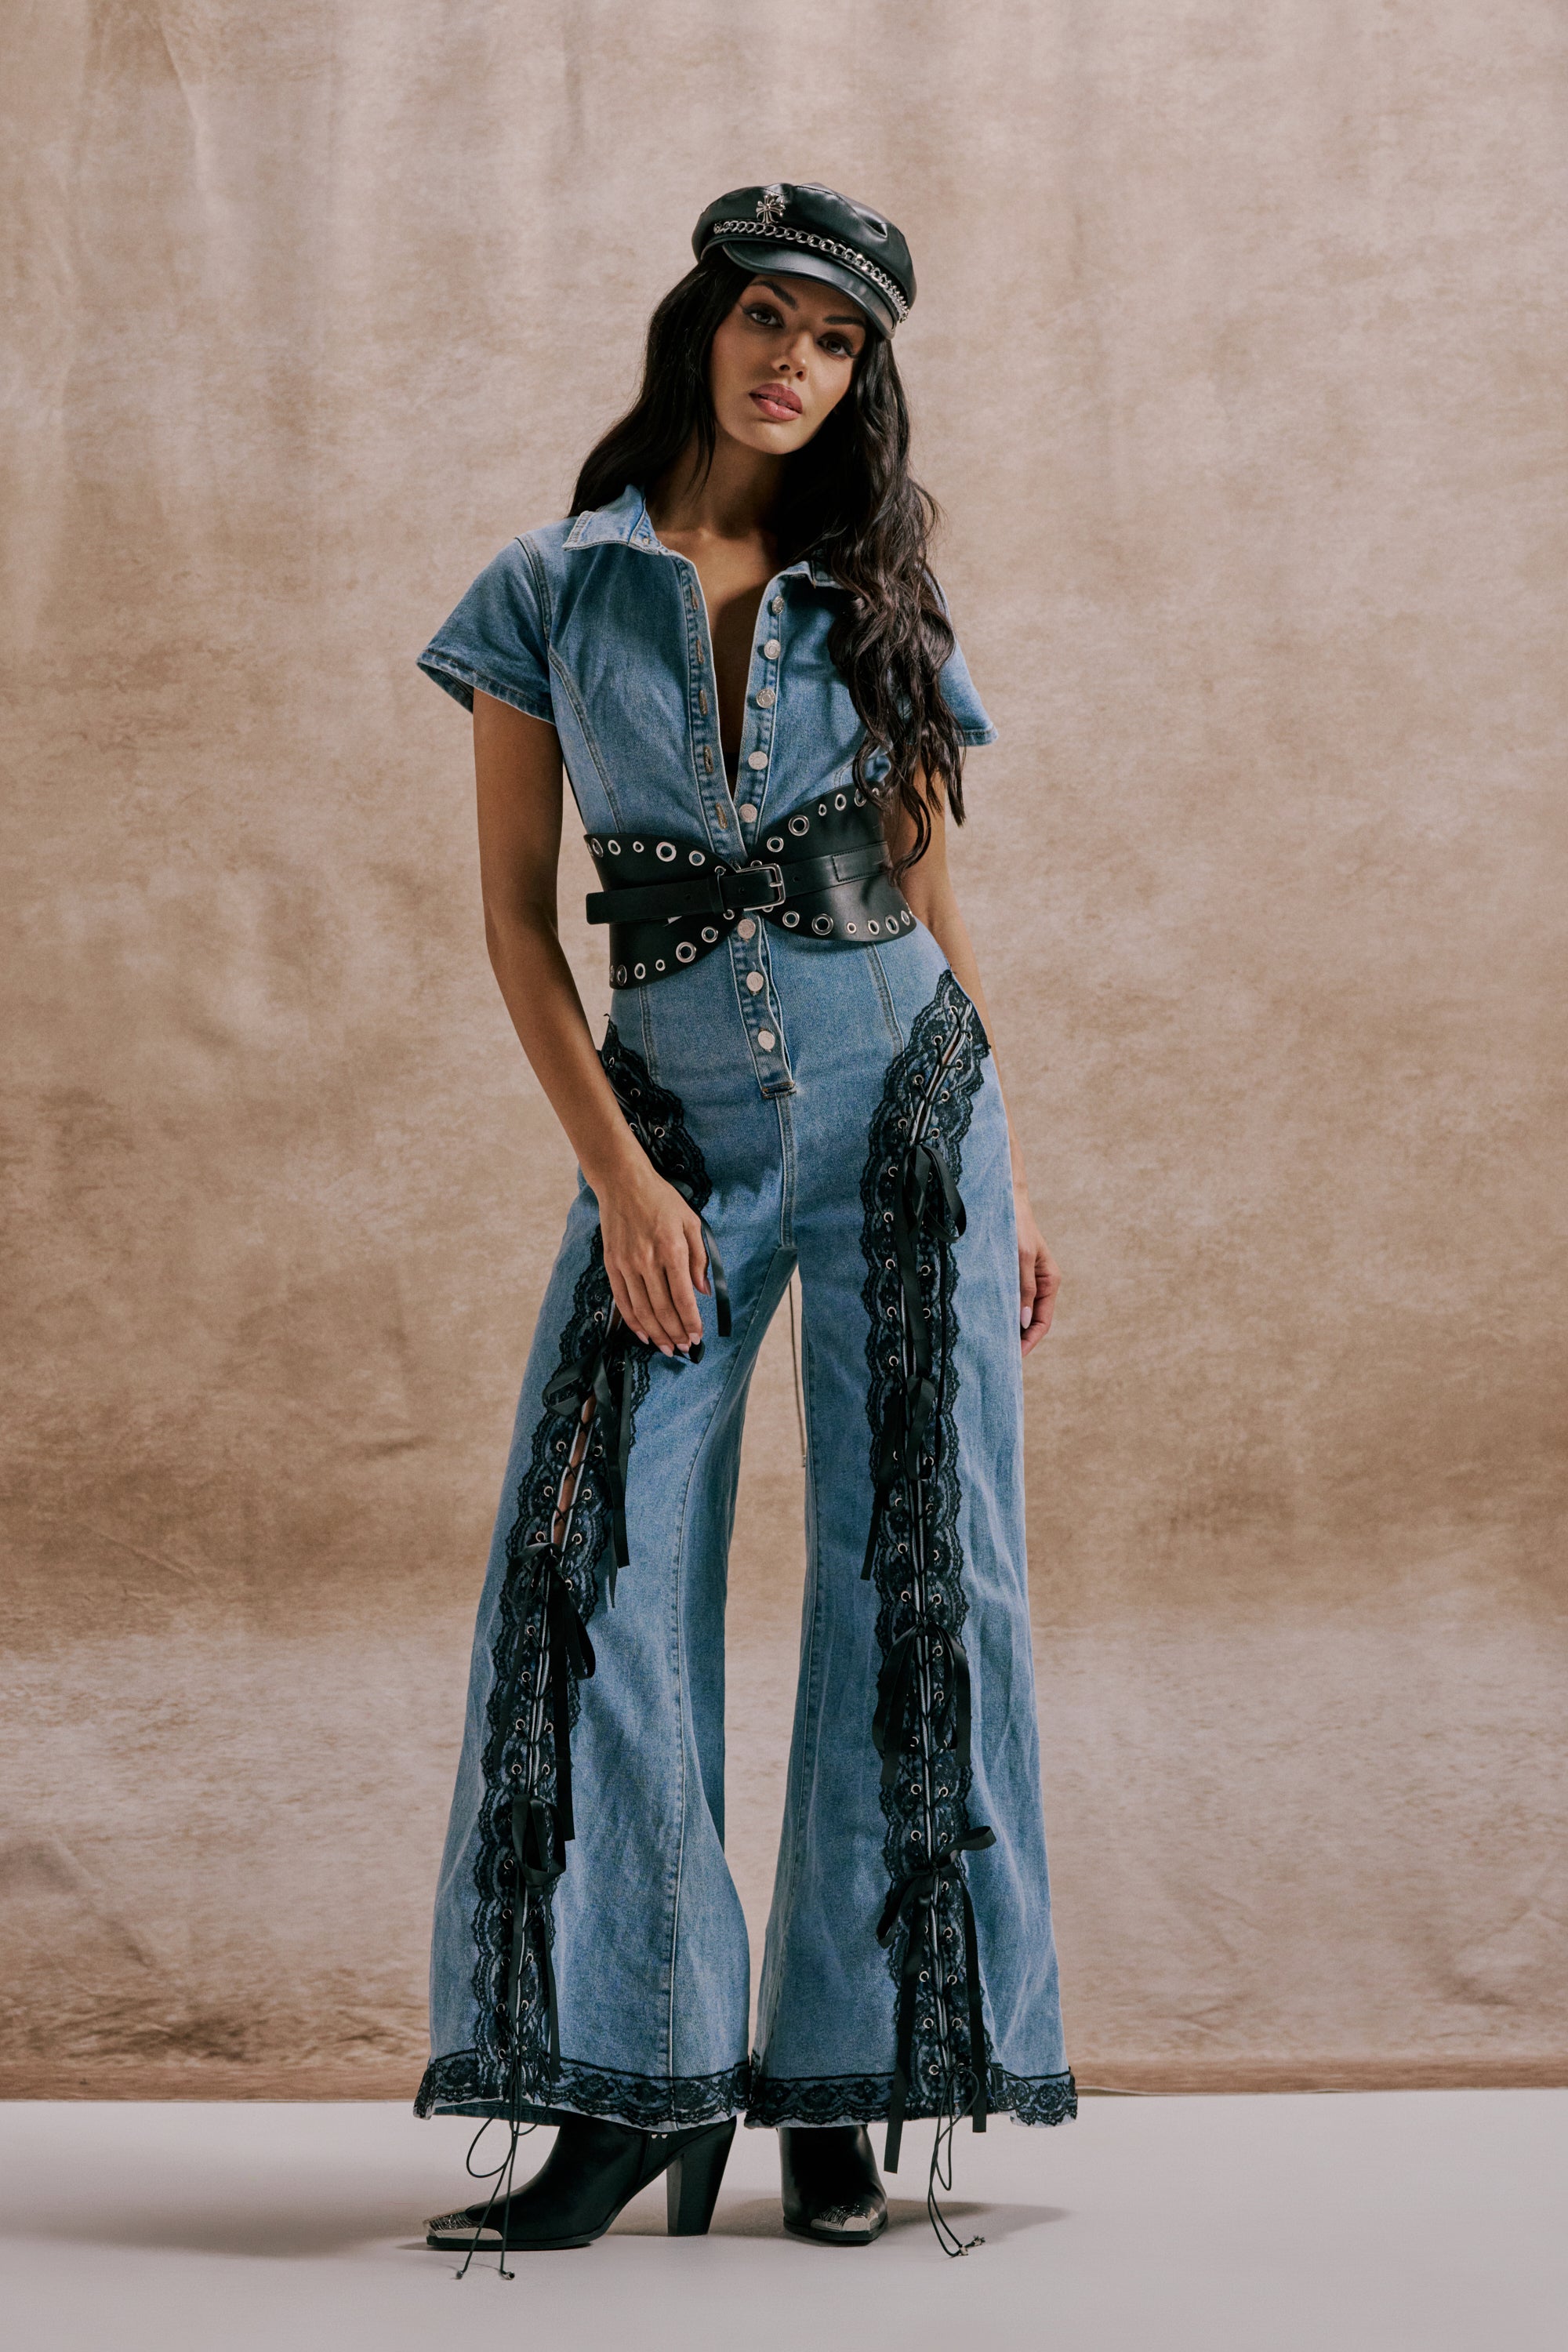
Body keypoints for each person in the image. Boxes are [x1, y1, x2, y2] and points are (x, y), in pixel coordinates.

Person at [412, 181, 1075, 2263]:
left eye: (840, 339)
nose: (796, 359)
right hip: (675, 1127)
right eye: (768, 318)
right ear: (700, 327)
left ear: (863, 377)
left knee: (917, 1581)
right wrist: (619, 1171)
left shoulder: (876, 592)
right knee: (590, 1569)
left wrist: (1015, 1169)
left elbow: (930, 888)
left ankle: (844, 2095)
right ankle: (631, 2085)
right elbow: (521, 933)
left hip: (910, 1112)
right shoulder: (548, 588)